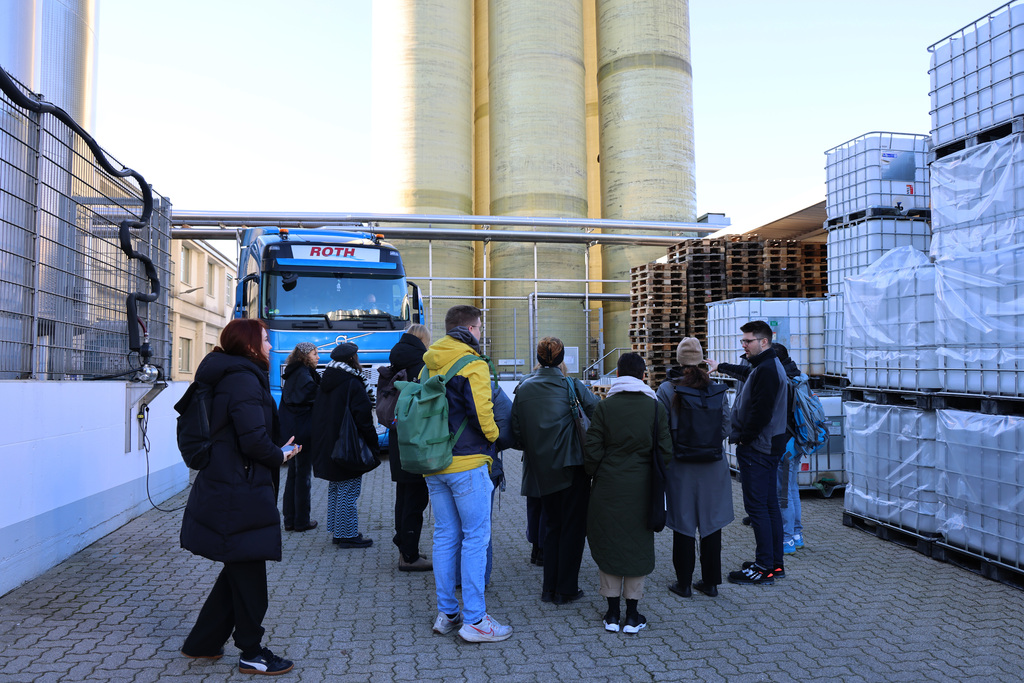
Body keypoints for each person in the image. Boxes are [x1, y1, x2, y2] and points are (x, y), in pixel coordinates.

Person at [179, 318, 297, 676]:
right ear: (248, 345)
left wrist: (274, 451)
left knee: (237, 569)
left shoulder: (230, 374)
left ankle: (202, 643)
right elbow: (253, 440)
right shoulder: (243, 379)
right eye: (265, 339)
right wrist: (280, 455)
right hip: (239, 490)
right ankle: (252, 652)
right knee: (249, 577)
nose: (270, 346)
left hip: (230, 483)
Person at [423, 305, 512, 643]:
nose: (481, 333)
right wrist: (494, 436)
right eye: (480, 328)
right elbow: (482, 413)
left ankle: (447, 613)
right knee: (476, 538)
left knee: (445, 536)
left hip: (435, 463)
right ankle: (475, 620)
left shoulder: (428, 363)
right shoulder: (473, 364)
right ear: (472, 329)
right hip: (468, 463)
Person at [584, 353, 672, 634]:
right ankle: (633, 615)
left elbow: (592, 450)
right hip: (643, 489)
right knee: (638, 545)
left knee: (609, 542)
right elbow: (666, 452)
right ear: (643, 375)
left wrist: (593, 473)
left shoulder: (604, 407)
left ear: (618, 375)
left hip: (608, 486)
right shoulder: (656, 408)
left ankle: (612, 613)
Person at [511, 337, 598, 605]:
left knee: (551, 526)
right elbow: (598, 413)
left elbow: (515, 434)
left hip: (541, 469)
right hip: (573, 466)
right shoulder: (572, 385)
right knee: (573, 528)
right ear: (561, 360)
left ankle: (549, 588)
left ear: (538, 358)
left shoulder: (523, 388)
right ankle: (566, 589)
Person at [709, 342, 805, 553]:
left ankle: (787, 539)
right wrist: (721, 366)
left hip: (784, 442)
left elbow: (763, 412)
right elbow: (747, 373)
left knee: (782, 493)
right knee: (790, 489)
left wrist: (745, 438)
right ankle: (796, 534)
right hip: (796, 441)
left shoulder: (777, 379)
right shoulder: (792, 374)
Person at [656, 338, 733, 599]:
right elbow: (726, 427)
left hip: (681, 466)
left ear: (679, 360)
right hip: (713, 465)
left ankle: (684, 583)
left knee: (683, 524)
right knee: (712, 524)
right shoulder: (716, 389)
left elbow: (662, 431)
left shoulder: (667, 389)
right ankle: (710, 583)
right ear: (701, 360)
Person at [719, 321, 789, 585]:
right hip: (767, 446)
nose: (744, 345)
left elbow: (761, 413)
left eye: (748, 341)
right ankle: (774, 564)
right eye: (743, 341)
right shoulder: (765, 365)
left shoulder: (768, 369)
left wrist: (744, 439)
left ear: (764, 341)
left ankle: (763, 568)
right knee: (769, 506)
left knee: (758, 508)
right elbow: (748, 378)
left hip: (759, 448)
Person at [311, 343, 379, 548]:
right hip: (348, 445)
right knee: (349, 490)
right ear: (352, 359)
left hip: (330, 442)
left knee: (337, 487)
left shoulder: (327, 380)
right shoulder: (352, 382)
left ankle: (339, 531)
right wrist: (372, 441)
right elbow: (363, 418)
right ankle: (347, 536)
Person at [387, 324, 433, 571]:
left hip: (398, 437)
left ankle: (405, 543)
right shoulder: (422, 365)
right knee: (416, 498)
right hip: (416, 438)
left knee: (403, 495)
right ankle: (409, 556)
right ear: (423, 340)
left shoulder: (396, 361)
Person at [278, 342, 320, 533]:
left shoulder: (293, 373)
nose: (317, 357)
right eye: (314, 353)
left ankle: (289, 520)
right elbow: (315, 397)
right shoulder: (304, 375)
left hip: (290, 431)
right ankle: (302, 521)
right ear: (304, 356)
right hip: (303, 431)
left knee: (293, 474)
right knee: (303, 476)